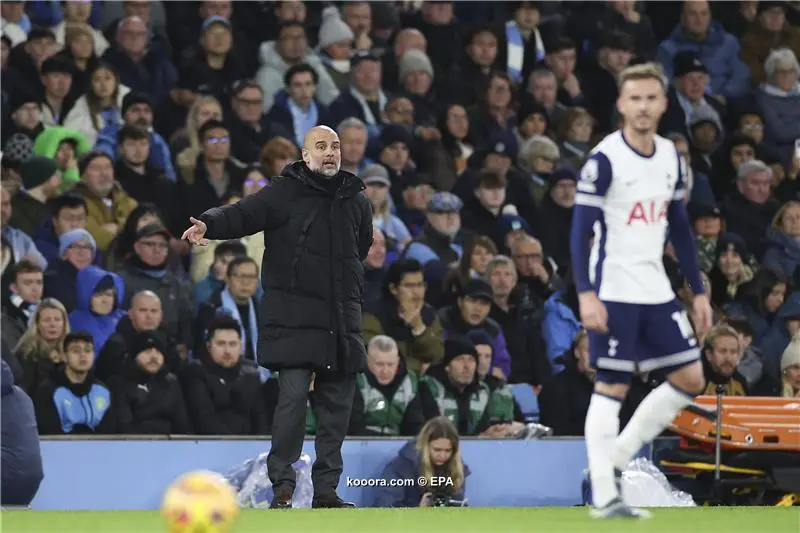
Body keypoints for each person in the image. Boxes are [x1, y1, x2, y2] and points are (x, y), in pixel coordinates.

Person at [181, 125, 373, 509]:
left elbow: (361, 247)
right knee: (293, 401)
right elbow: (244, 214)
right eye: (322, 146)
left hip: (340, 320)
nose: (331, 152)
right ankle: (283, 486)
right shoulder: (284, 192)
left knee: (336, 411)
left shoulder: (357, 199)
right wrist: (209, 223)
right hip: (293, 318)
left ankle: (326, 492)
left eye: (335, 145)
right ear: (305, 155)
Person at [569, 62, 713, 519]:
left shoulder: (671, 155)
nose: (643, 106)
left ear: (663, 103)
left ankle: (615, 458)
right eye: (635, 98)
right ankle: (606, 495)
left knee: (692, 378)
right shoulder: (605, 159)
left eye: (651, 98)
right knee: (612, 384)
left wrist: (699, 290)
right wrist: (586, 294)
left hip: (656, 288)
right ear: (621, 104)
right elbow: (579, 233)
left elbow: (681, 230)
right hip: (613, 289)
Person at [371, 415, 469, 508]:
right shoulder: (399, 468)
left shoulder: (456, 468)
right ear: (425, 445)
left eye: (448, 450)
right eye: (437, 450)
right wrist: (418, 510)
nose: (442, 456)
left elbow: (458, 504)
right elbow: (385, 507)